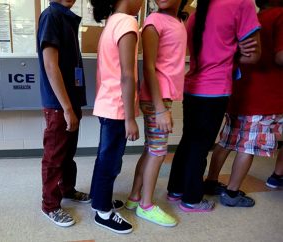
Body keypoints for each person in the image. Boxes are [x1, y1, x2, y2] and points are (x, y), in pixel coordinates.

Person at [167, 0, 261, 212]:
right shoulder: (241, 3)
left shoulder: (196, 11)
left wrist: (231, 47)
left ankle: (176, 190)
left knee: (189, 141)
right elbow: (253, 56)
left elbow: (208, 47)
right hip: (215, 89)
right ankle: (192, 199)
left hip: (192, 87)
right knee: (200, 145)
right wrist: (236, 50)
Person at [204, 0, 283, 206]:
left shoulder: (253, 18)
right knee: (249, 145)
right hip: (265, 95)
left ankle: (211, 181)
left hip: (240, 90)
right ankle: (231, 193)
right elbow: (280, 56)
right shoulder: (281, 16)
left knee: (227, 140)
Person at [125, 0, 188, 227]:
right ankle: (146, 205)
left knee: (151, 150)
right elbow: (148, 67)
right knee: (159, 153)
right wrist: (161, 108)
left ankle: (134, 198)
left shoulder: (179, 21)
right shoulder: (153, 21)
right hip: (156, 99)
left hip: (163, 97)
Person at [89, 0, 142, 234]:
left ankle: (99, 199)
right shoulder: (127, 22)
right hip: (117, 108)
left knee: (105, 157)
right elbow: (127, 76)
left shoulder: (112, 22)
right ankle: (103, 211)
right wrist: (130, 118)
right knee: (110, 161)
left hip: (107, 104)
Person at [37, 0, 91, 227]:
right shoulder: (51, 16)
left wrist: (72, 106)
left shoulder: (66, 17)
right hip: (60, 104)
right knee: (54, 157)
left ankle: (67, 190)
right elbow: (51, 66)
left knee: (67, 153)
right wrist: (67, 109)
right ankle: (49, 205)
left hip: (70, 101)